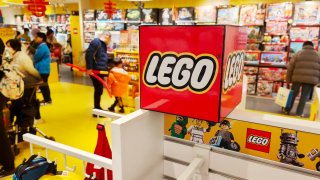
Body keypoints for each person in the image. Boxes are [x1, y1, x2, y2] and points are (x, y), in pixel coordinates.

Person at [285, 41, 320, 117]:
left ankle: (287, 110)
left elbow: (290, 67)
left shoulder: (298, 53)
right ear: (312, 46)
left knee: (293, 94)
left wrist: (288, 79)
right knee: (304, 96)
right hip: (310, 79)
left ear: (303, 46)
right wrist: (318, 81)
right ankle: (299, 113)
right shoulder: (317, 55)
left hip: (297, 77)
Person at [85, 31, 111, 114]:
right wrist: (89, 68)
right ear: (106, 36)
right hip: (95, 70)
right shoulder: (96, 42)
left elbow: (102, 57)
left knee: (99, 89)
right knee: (98, 89)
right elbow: (89, 54)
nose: (110, 40)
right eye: (110, 38)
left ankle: (97, 108)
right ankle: (97, 109)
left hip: (100, 69)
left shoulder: (103, 44)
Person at [34, 32, 52, 105]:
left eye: (37, 37)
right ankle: (47, 99)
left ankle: (47, 100)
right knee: (43, 85)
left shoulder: (42, 47)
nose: (35, 39)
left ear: (41, 38)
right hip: (43, 69)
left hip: (42, 69)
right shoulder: (42, 46)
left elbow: (37, 57)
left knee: (43, 85)